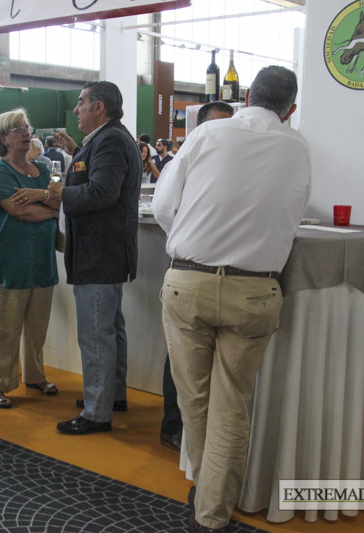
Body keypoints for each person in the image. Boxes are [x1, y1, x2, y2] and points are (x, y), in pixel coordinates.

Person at [152, 66, 311, 533]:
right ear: (291, 109)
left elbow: (163, 205)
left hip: (189, 282)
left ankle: (207, 498)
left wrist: (191, 239)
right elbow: (294, 212)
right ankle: (212, 511)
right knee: (232, 405)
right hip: (257, 290)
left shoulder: (208, 133)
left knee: (195, 403)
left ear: (245, 97)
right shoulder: (298, 145)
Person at [47, 81, 141, 435]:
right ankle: (110, 395)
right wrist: (76, 154)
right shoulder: (105, 140)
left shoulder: (111, 140)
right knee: (109, 328)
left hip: (99, 251)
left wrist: (60, 191)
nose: (76, 109)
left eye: (82, 102)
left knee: (96, 333)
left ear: (99, 107)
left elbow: (102, 192)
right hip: (102, 250)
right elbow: (97, 180)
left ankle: (97, 412)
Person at [159, 99, 235, 452]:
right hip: (189, 268)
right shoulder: (185, 159)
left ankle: (201, 442)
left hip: (229, 275)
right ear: (198, 128)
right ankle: (173, 426)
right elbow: (163, 209)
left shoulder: (238, 164)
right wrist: (189, 240)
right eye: (216, 124)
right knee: (181, 361)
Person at [0, 109, 60, 409]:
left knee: (38, 325)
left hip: (42, 259)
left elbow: (59, 194)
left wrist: (42, 195)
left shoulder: (46, 167)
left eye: (26, 127)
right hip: (10, 261)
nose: (25, 132)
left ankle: (36, 376)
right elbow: (20, 211)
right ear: (3, 137)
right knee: (5, 326)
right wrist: (52, 209)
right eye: (17, 128)